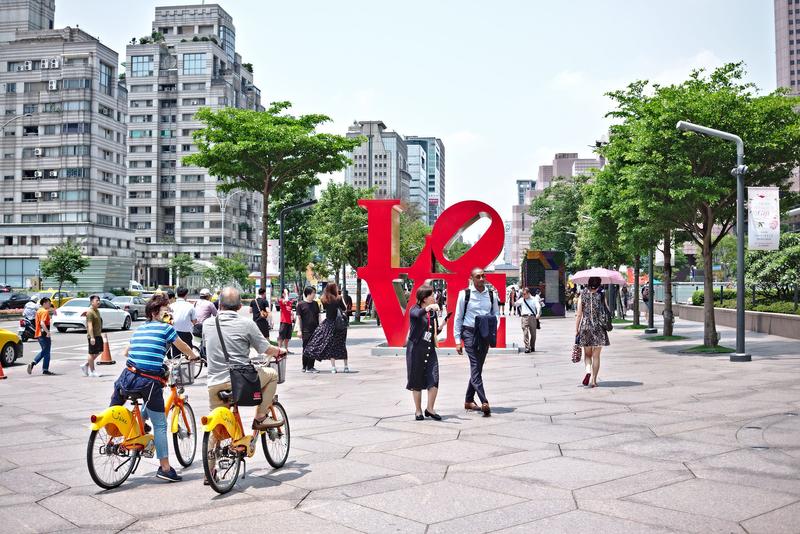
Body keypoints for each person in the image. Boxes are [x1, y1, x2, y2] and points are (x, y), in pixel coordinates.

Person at [110, 293, 196, 482]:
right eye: (166, 310)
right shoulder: (166, 329)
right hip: (147, 382)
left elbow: (126, 351)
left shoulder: (140, 329)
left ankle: (125, 428)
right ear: (156, 312)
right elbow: (182, 346)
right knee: (160, 424)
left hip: (126, 377)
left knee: (124, 402)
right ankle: (165, 468)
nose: (169, 313)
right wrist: (194, 356)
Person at [203, 287, 285, 432]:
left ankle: (211, 451)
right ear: (240, 306)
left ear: (219, 304)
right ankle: (261, 416)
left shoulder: (207, 324)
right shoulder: (247, 324)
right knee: (272, 375)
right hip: (240, 382)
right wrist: (279, 351)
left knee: (216, 427)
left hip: (214, 383)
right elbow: (265, 349)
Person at [454, 269, 500, 417]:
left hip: (484, 334)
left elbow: (496, 314)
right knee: (475, 365)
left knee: (478, 367)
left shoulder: (492, 294)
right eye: (478, 276)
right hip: (469, 333)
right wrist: (457, 340)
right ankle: (484, 400)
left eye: (483, 276)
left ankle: (468, 400)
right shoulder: (465, 294)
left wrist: (493, 328)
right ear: (472, 278)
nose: (481, 279)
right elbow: (458, 317)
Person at [406, 284, 442, 421]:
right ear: (424, 298)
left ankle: (430, 409)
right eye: (431, 295)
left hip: (429, 349)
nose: (434, 297)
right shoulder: (414, 309)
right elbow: (416, 314)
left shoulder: (432, 313)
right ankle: (418, 410)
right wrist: (428, 308)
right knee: (416, 380)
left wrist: (443, 325)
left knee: (434, 378)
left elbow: (433, 331)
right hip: (416, 350)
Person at [303, 283, 349, 373]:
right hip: (339, 325)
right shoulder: (338, 298)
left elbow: (325, 309)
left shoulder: (324, 299)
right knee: (342, 345)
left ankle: (333, 368)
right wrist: (342, 299)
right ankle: (346, 366)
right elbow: (344, 309)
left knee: (331, 345)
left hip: (328, 324)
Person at [575, 277, 610, 388]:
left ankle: (588, 371)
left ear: (589, 284)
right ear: (599, 285)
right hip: (599, 327)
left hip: (585, 327)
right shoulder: (602, 295)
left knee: (587, 355)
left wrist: (576, 329)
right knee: (596, 356)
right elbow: (607, 310)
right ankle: (594, 380)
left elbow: (579, 314)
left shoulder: (582, 295)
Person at [296, 286, 321, 373]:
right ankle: (304, 366)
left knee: (314, 348)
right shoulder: (300, 304)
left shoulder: (315, 304)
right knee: (306, 348)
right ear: (308, 293)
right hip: (305, 330)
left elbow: (318, 316)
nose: (314, 295)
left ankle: (311, 366)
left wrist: (320, 327)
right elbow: (298, 319)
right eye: (313, 293)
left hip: (315, 329)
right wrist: (299, 330)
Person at [27, 297, 54, 375]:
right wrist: (48, 332)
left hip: (39, 334)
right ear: (44, 303)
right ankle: (33, 363)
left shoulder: (39, 311)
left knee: (46, 352)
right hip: (44, 334)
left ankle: (45, 369)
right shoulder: (45, 312)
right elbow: (42, 323)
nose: (50, 304)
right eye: (49, 303)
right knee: (46, 351)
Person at [170, 287, 196, 356]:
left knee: (176, 356)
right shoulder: (190, 306)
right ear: (186, 294)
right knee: (188, 355)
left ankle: (177, 367)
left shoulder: (171, 306)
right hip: (186, 333)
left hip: (174, 333)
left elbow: (169, 319)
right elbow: (194, 321)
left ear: (177, 294)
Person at [81, 295, 103, 377]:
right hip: (93, 336)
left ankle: (86, 365)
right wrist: (92, 337)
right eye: (96, 300)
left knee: (100, 351)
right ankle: (92, 371)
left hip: (98, 334)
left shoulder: (97, 311)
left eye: (99, 300)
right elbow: (89, 326)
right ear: (91, 302)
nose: (98, 302)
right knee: (91, 353)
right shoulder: (90, 312)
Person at [515, 287, 541, 353]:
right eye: (522, 294)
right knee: (525, 333)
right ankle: (527, 347)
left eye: (524, 294)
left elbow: (538, 306)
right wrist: (512, 298)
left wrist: (538, 313)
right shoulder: (522, 299)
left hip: (532, 317)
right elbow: (515, 304)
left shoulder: (534, 299)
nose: (523, 295)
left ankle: (532, 346)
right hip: (524, 317)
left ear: (528, 293)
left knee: (533, 334)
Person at [277, 288, 294, 353]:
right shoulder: (281, 300)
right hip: (284, 321)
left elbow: (290, 309)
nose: (286, 294)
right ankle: (279, 350)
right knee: (281, 337)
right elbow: (285, 301)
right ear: (282, 294)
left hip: (289, 322)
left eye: (287, 293)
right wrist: (286, 293)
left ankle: (286, 349)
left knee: (287, 337)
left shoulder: (289, 302)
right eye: (284, 293)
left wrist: (292, 315)